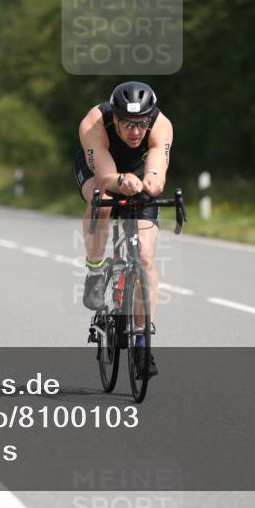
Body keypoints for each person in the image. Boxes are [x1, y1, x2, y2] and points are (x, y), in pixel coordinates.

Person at [74, 81, 173, 378]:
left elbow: (156, 171)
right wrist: (120, 182)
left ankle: (142, 340)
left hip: (138, 172)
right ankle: (94, 269)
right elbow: (105, 176)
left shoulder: (161, 125)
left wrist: (153, 182)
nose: (135, 131)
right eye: (127, 123)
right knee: (102, 200)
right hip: (100, 170)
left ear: (150, 118)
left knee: (144, 259)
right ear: (115, 117)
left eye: (141, 123)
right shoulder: (94, 123)